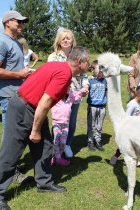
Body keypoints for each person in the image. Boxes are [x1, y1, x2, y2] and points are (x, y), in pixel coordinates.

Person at [0, 46, 90, 210]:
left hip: (33, 108)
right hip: (26, 108)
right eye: (88, 63)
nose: (89, 67)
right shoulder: (64, 73)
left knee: (45, 146)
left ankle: (44, 182)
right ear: (79, 62)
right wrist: (35, 130)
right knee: (12, 151)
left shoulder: (59, 66)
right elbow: (44, 103)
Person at [0, 11, 33, 185]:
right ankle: (10, 173)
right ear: (7, 22)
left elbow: (12, 68)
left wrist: (23, 73)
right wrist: (18, 74)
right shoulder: (1, 42)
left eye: (23, 22)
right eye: (18, 21)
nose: (22, 24)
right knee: (10, 137)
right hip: (7, 95)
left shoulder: (14, 42)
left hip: (16, 94)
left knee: (15, 134)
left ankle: (12, 165)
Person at [48, 27, 88, 158]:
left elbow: (84, 73)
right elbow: (49, 75)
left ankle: (67, 144)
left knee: (71, 122)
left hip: (75, 94)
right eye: (63, 38)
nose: (65, 41)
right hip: (58, 95)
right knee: (58, 121)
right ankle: (55, 145)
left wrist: (86, 85)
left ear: (72, 41)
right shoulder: (53, 57)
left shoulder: (77, 55)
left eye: (68, 38)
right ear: (59, 41)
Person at [110, 85, 140, 166]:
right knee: (125, 145)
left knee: (135, 146)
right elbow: (126, 117)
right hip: (129, 128)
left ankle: (134, 160)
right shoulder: (132, 104)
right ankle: (115, 157)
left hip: (136, 128)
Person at [51, 86, 88, 166]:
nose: (66, 88)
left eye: (68, 86)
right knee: (56, 141)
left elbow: (77, 96)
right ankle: (57, 158)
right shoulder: (56, 95)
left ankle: (58, 156)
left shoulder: (71, 95)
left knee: (63, 142)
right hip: (57, 123)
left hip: (65, 124)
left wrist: (83, 90)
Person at [86, 60, 107, 152]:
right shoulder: (90, 80)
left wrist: (106, 101)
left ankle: (98, 141)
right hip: (92, 106)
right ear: (92, 69)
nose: (100, 71)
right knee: (91, 125)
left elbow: (106, 91)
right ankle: (90, 141)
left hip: (102, 107)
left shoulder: (104, 80)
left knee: (99, 125)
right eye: (98, 69)